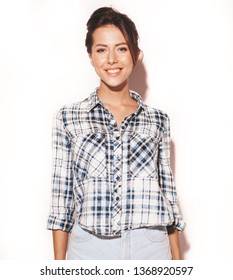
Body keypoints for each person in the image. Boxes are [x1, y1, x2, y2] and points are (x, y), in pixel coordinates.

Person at [47, 6, 185, 260]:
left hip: (151, 245)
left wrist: (178, 265)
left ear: (136, 54)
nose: (111, 59)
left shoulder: (158, 120)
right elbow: (61, 198)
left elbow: (168, 192)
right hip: (89, 246)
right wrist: (58, 268)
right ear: (90, 56)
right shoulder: (68, 117)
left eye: (121, 48)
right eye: (101, 50)